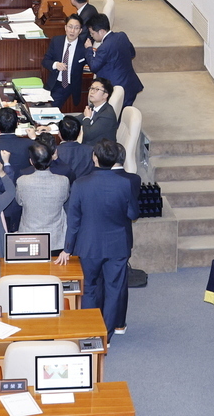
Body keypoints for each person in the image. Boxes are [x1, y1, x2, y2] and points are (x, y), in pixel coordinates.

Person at [54, 140, 137, 338]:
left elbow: (74, 220)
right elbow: (133, 213)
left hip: (88, 245)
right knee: (114, 288)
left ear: (95, 158)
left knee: (89, 287)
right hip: (118, 245)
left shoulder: (81, 184)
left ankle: (89, 330)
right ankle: (105, 335)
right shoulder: (126, 183)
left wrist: (67, 249)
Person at [83, 13, 144, 110]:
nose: (91, 36)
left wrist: (89, 49)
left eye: (92, 33)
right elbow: (132, 53)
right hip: (129, 84)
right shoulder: (122, 36)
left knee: (116, 117)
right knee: (125, 112)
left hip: (115, 88)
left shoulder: (104, 47)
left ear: (102, 31)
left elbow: (94, 66)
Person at [45, 14, 88, 109]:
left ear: (80, 31)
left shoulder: (83, 47)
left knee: (52, 107)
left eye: (76, 28)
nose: (72, 31)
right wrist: (56, 65)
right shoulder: (56, 41)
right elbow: (45, 61)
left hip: (69, 85)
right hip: (54, 82)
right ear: (65, 27)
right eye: (70, 27)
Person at [80, 77, 120, 143]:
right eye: (92, 88)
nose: (92, 92)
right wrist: (60, 120)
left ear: (105, 95)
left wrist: (87, 117)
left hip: (99, 151)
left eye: (96, 89)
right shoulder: (93, 106)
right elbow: (78, 119)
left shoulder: (107, 115)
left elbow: (87, 135)